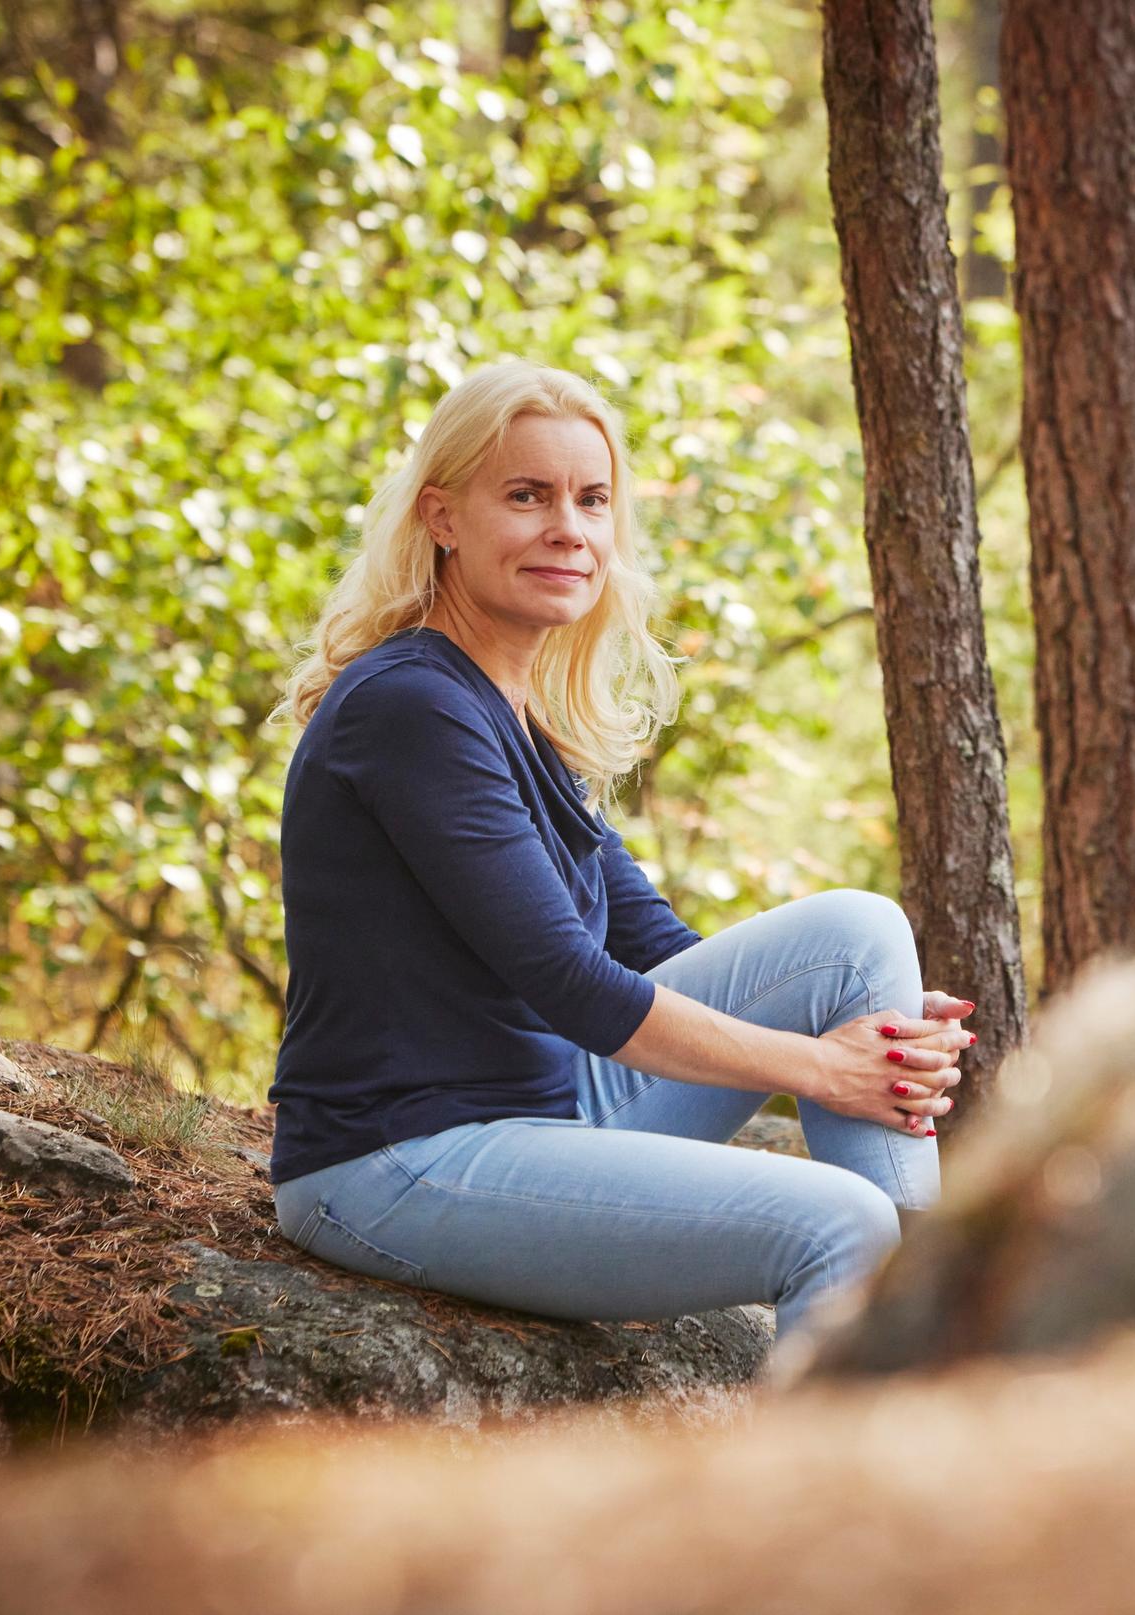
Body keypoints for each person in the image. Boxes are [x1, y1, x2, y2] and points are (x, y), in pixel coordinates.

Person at [264, 359, 970, 1376]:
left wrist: (876, 1042)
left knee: (859, 934)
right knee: (838, 1223)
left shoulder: (518, 712)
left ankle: (935, 1309)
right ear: (442, 517)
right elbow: (574, 985)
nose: (570, 529)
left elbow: (655, 946)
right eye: (527, 495)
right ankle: (841, 1513)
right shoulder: (411, 706)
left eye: (592, 500)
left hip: (542, 1101)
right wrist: (824, 1068)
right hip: (398, 1161)